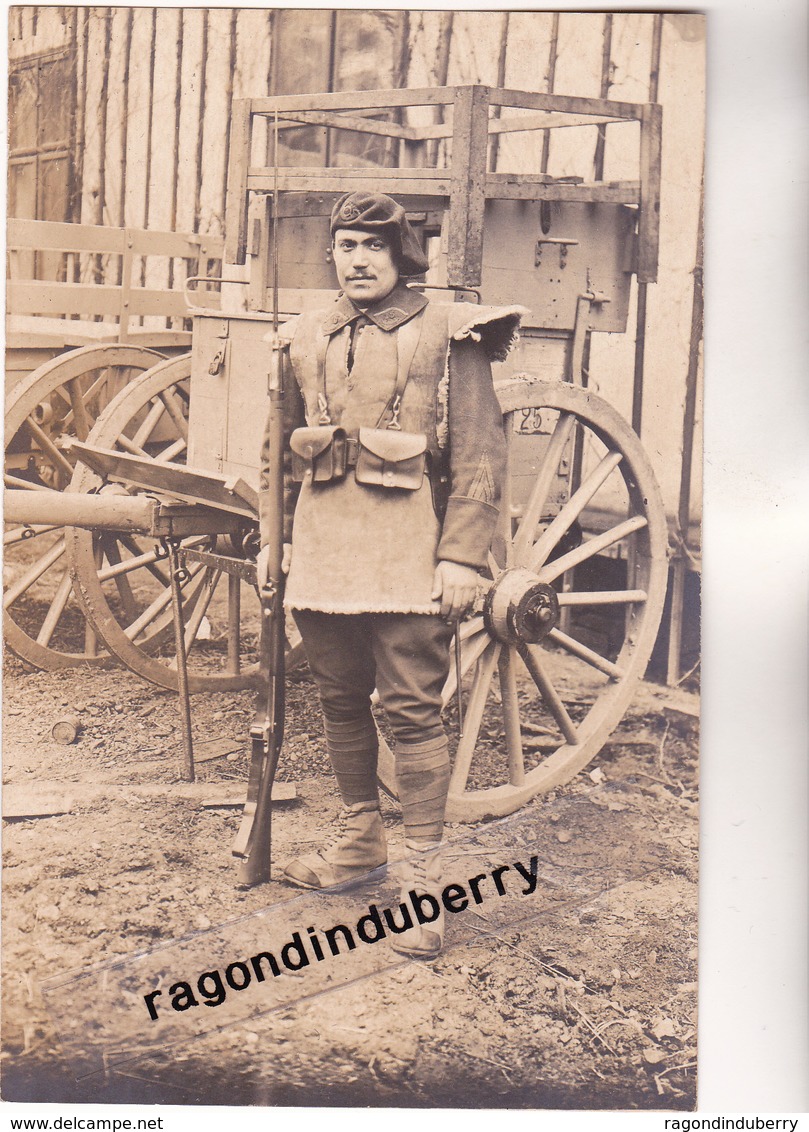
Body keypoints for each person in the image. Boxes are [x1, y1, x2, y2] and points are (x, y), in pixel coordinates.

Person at [257, 191, 525, 958]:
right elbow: (276, 451)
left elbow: (479, 454)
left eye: (374, 246)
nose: (358, 260)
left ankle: (424, 880)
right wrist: (273, 542)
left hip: (410, 555)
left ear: (403, 255)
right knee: (339, 698)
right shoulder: (304, 335)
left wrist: (462, 556)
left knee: (410, 711)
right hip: (324, 554)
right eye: (345, 245)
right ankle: (357, 845)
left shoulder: (451, 333)